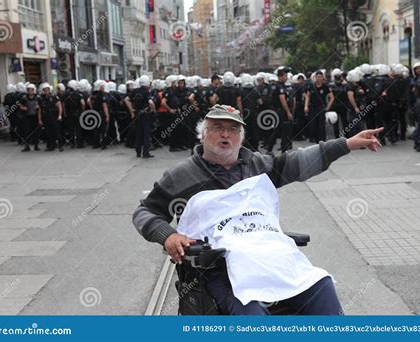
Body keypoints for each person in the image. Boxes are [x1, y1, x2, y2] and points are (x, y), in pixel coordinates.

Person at [132, 104, 383, 315]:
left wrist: (347, 144)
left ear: (241, 138)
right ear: (203, 135)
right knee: (251, 306)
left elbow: (298, 160)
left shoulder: (257, 165)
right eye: (217, 128)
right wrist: (168, 235)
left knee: (321, 285)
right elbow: (145, 212)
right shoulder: (181, 175)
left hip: (269, 259)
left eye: (232, 130)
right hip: (219, 270)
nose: (225, 135)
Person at [305, 70, 334, 143]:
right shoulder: (311, 86)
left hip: (321, 108)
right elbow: (308, 96)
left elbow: (332, 97)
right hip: (312, 108)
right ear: (315, 77)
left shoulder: (325, 86)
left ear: (323, 78)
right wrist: (306, 106)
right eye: (318, 77)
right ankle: (314, 138)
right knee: (312, 125)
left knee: (321, 126)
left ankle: (321, 141)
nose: (319, 78)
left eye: (321, 77)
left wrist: (328, 107)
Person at [38, 83, 64, 152]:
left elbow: (60, 107)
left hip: (55, 117)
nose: (46, 91)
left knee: (57, 132)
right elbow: (40, 110)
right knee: (49, 133)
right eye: (44, 90)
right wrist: (40, 119)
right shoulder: (41, 99)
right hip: (46, 118)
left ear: (50, 90)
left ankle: (61, 145)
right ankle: (51, 146)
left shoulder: (54, 97)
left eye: (47, 90)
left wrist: (60, 115)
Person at [19, 83, 41, 152]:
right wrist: (23, 108)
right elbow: (20, 105)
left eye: (32, 90)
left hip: (35, 117)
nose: (30, 91)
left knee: (36, 132)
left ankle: (36, 145)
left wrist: (39, 107)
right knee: (27, 132)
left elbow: (42, 106)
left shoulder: (38, 97)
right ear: (27, 90)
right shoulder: (24, 98)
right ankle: (27, 146)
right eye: (29, 90)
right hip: (27, 117)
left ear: (34, 90)